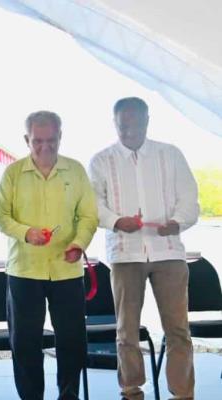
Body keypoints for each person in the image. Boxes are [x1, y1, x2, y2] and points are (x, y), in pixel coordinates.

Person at [89, 97, 198, 400]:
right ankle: (131, 391)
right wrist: (115, 221)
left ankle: (183, 393)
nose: (129, 131)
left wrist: (178, 221)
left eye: (135, 124)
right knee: (126, 331)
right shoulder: (101, 160)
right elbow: (93, 204)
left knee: (178, 330)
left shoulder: (170, 154)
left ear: (147, 120)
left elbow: (189, 197)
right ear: (115, 123)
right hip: (125, 254)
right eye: (123, 125)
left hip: (169, 252)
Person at [0, 111, 98, 400]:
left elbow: (88, 216)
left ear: (60, 137)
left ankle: (68, 395)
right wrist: (26, 232)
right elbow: (1, 217)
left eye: (51, 140)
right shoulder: (13, 173)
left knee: (72, 341)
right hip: (24, 271)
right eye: (37, 141)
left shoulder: (76, 171)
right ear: (27, 139)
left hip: (67, 270)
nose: (44, 147)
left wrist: (78, 243)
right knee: (25, 343)